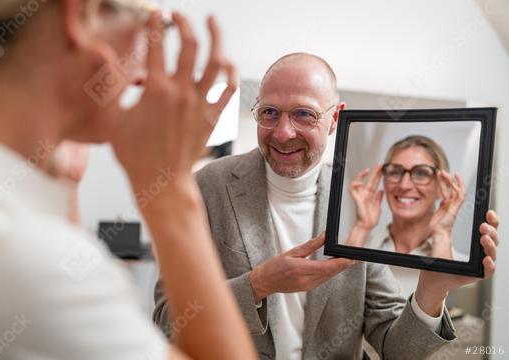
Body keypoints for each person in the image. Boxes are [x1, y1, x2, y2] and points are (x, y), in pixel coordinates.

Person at [152, 53, 500, 359]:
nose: (283, 132)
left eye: (304, 114)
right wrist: (257, 285)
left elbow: (397, 350)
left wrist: (432, 289)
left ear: (335, 119)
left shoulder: (358, 204)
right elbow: (168, 321)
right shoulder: (207, 186)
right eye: (269, 112)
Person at [0, 0, 258, 359]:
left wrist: (67, 186)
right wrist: (169, 188)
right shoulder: (25, 252)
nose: (140, 76)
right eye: (153, 27)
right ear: (81, 16)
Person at [348, 135, 469, 263]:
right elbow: (337, 282)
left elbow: (444, 283)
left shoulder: (463, 266)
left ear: (442, 186)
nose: (404, 185)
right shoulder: (357, 243)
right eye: (395, 172)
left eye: (421, 173)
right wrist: (362, 226)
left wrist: (441, 234)